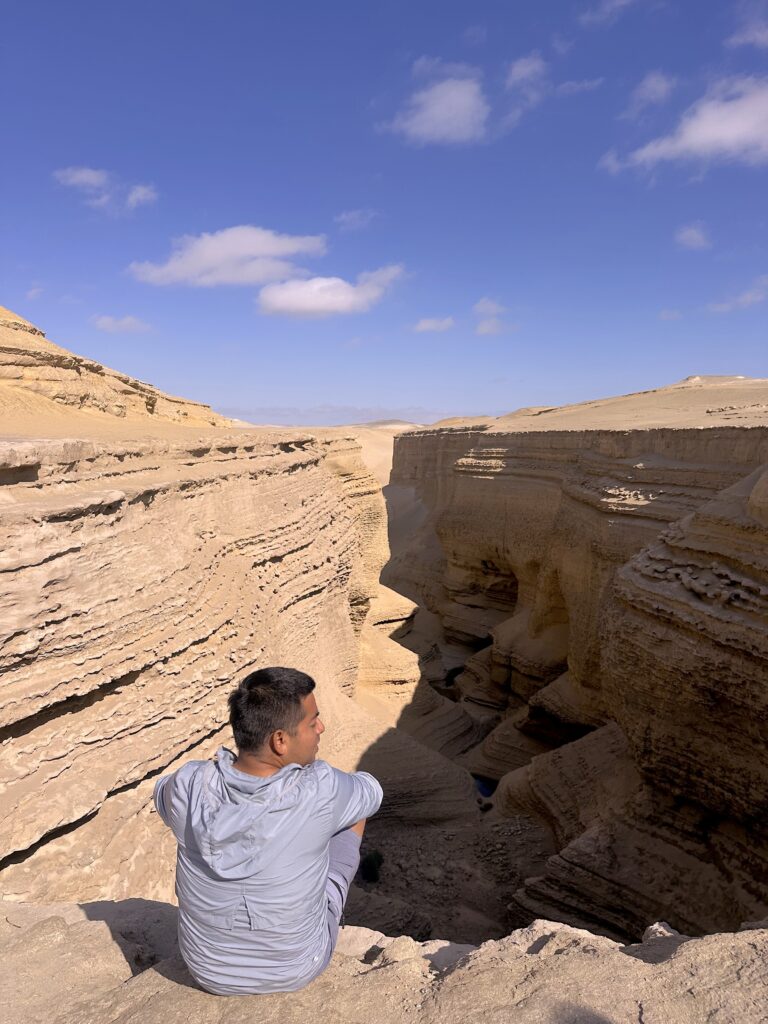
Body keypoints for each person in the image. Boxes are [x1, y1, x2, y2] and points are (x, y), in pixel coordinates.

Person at [153, 665, 383, 995]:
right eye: (312, 722)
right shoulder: (320, 789)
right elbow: (371, 791)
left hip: (206, 970)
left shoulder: (188, 783)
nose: (321, 727)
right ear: (280, 741)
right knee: (351, 814)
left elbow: (162, 795)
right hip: (293, 970)